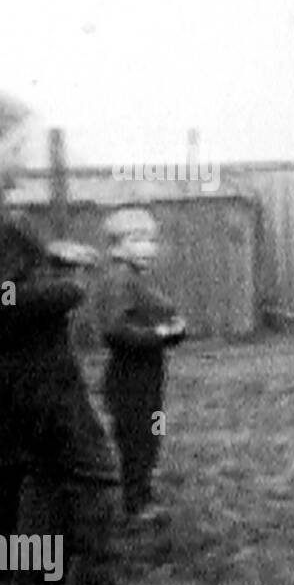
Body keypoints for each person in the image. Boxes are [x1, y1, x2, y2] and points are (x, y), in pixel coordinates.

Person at [0, 88, 120, 585]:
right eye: (19, 144)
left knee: (16, 481)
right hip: (30, 371)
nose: (27, 158)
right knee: (82, 471)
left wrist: (48, 254)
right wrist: (68, 289)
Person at [96, 207, 186, 523]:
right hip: (128, 379)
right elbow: (115, 329)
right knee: (136, 441)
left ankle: (141, 493)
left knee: (148, 436)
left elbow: (156, 315)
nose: (147, 247)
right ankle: (135, 504)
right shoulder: (118, 280)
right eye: (137, 239)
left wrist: (173, 329)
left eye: (151, 239)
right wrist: (159, 333)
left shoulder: (137, 281)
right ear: (116, 247)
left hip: (148, 375)